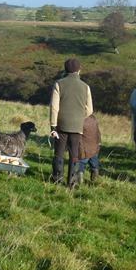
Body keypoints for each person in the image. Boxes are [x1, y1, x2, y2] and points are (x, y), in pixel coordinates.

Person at [49, 58, 93, 188]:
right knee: (74, 155)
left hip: (61, 125)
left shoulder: (59, 84)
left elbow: (54, 107)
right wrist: (79, 117)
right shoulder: (86, 87)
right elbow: (90, 110)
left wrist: (53, 126)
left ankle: (57, 180)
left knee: (59, 153)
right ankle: (72, 183)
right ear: (79, 70)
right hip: (77, 126)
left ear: (65, 69)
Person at [77, 113, 101, 183]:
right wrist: (99, 143)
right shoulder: (94, 119)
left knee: (81, 164)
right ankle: (94, 180)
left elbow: (78, 135)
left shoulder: (80, 120)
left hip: (84, 149)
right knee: (94, 164)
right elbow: (98, 133)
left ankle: (80, 180)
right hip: (94, 147)